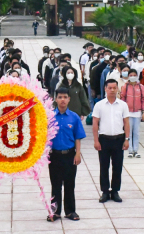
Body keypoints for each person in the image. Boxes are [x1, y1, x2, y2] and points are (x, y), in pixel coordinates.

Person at [48, 88, 86, 222]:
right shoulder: (50, 116)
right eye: (60, 97)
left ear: (69, 99)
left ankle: (70, 211)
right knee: (55, 184)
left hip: (70, 155)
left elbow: (78, 137)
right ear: (55, 99)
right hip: (54, 155)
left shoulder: (74, 117)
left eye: (65, 97)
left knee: (70, 184)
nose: (62, 99)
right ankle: (55, 212)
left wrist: (78, 153)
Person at [92, 79, 130, 203]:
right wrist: (96, 140)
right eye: (110, 88)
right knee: (104, 166)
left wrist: (127, 139)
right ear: (105, 89)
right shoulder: (99, 105)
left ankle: (115, 191)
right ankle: (104, 191)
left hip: (119, 139)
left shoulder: (123, 105)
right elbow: (95, 123)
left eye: (114, 88)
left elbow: (126, 123)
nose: (112, 90)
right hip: (104, 139)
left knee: (117, 166)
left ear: (117, 89)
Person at [120, 69, 144, 158]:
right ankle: (130, 150)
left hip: (137, 112)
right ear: (128, 76)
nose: (132, 77)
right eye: (130, 75)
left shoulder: (140, 87)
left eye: (134, 75)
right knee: (129, 132)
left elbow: (143, 99)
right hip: (128, 113)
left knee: (136, 132)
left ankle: (136, 150)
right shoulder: (125, 86)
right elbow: (122, 99)